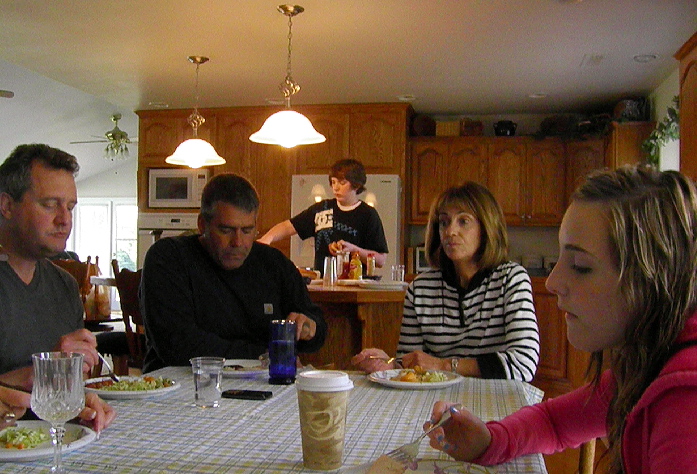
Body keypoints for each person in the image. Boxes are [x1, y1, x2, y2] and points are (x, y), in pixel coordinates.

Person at [424, 165, 697, 473]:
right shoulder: (642, 367)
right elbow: (552, 422)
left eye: (580, 265)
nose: (553, 282)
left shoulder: (686, 398)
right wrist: (489, 441)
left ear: (650, 280)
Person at [352, 181, 539, 382]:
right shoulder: (421, 289)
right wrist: (388, 364)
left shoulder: (510, 279)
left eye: (463, 221)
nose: (450, 231)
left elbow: (524, 364)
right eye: (444, 222)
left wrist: (444, 365)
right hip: (439, 397)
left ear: (487, 228)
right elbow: (412, 366)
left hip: (498, 396)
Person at [141, 173, 328, 373]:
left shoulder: (273, 263)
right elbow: (177, 345)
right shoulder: (169, 258)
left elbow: (316, 328)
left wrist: (310, 328)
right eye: (226, 230)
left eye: (247, 230)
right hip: (183, 383)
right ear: (202, 225)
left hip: (262, 383)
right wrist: (265, 355)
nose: (238, 242)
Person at [0, 143, 115, 432]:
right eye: (50, 204)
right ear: (7, 206)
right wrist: (41, 373)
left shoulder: (64, 286)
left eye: (70, 207)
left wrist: (81, 403)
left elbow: (64, 392)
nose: (65, 220)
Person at [258, 159, 389, 274]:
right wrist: (266, 239)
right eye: (333, 182)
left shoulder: (367, 214)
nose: (335, 188)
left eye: (342, 183)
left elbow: (381, 260)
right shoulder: (321, 208)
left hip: (354, 287)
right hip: (322, 283)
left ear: (356, 185)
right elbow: (289, 226)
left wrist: (353, 250)